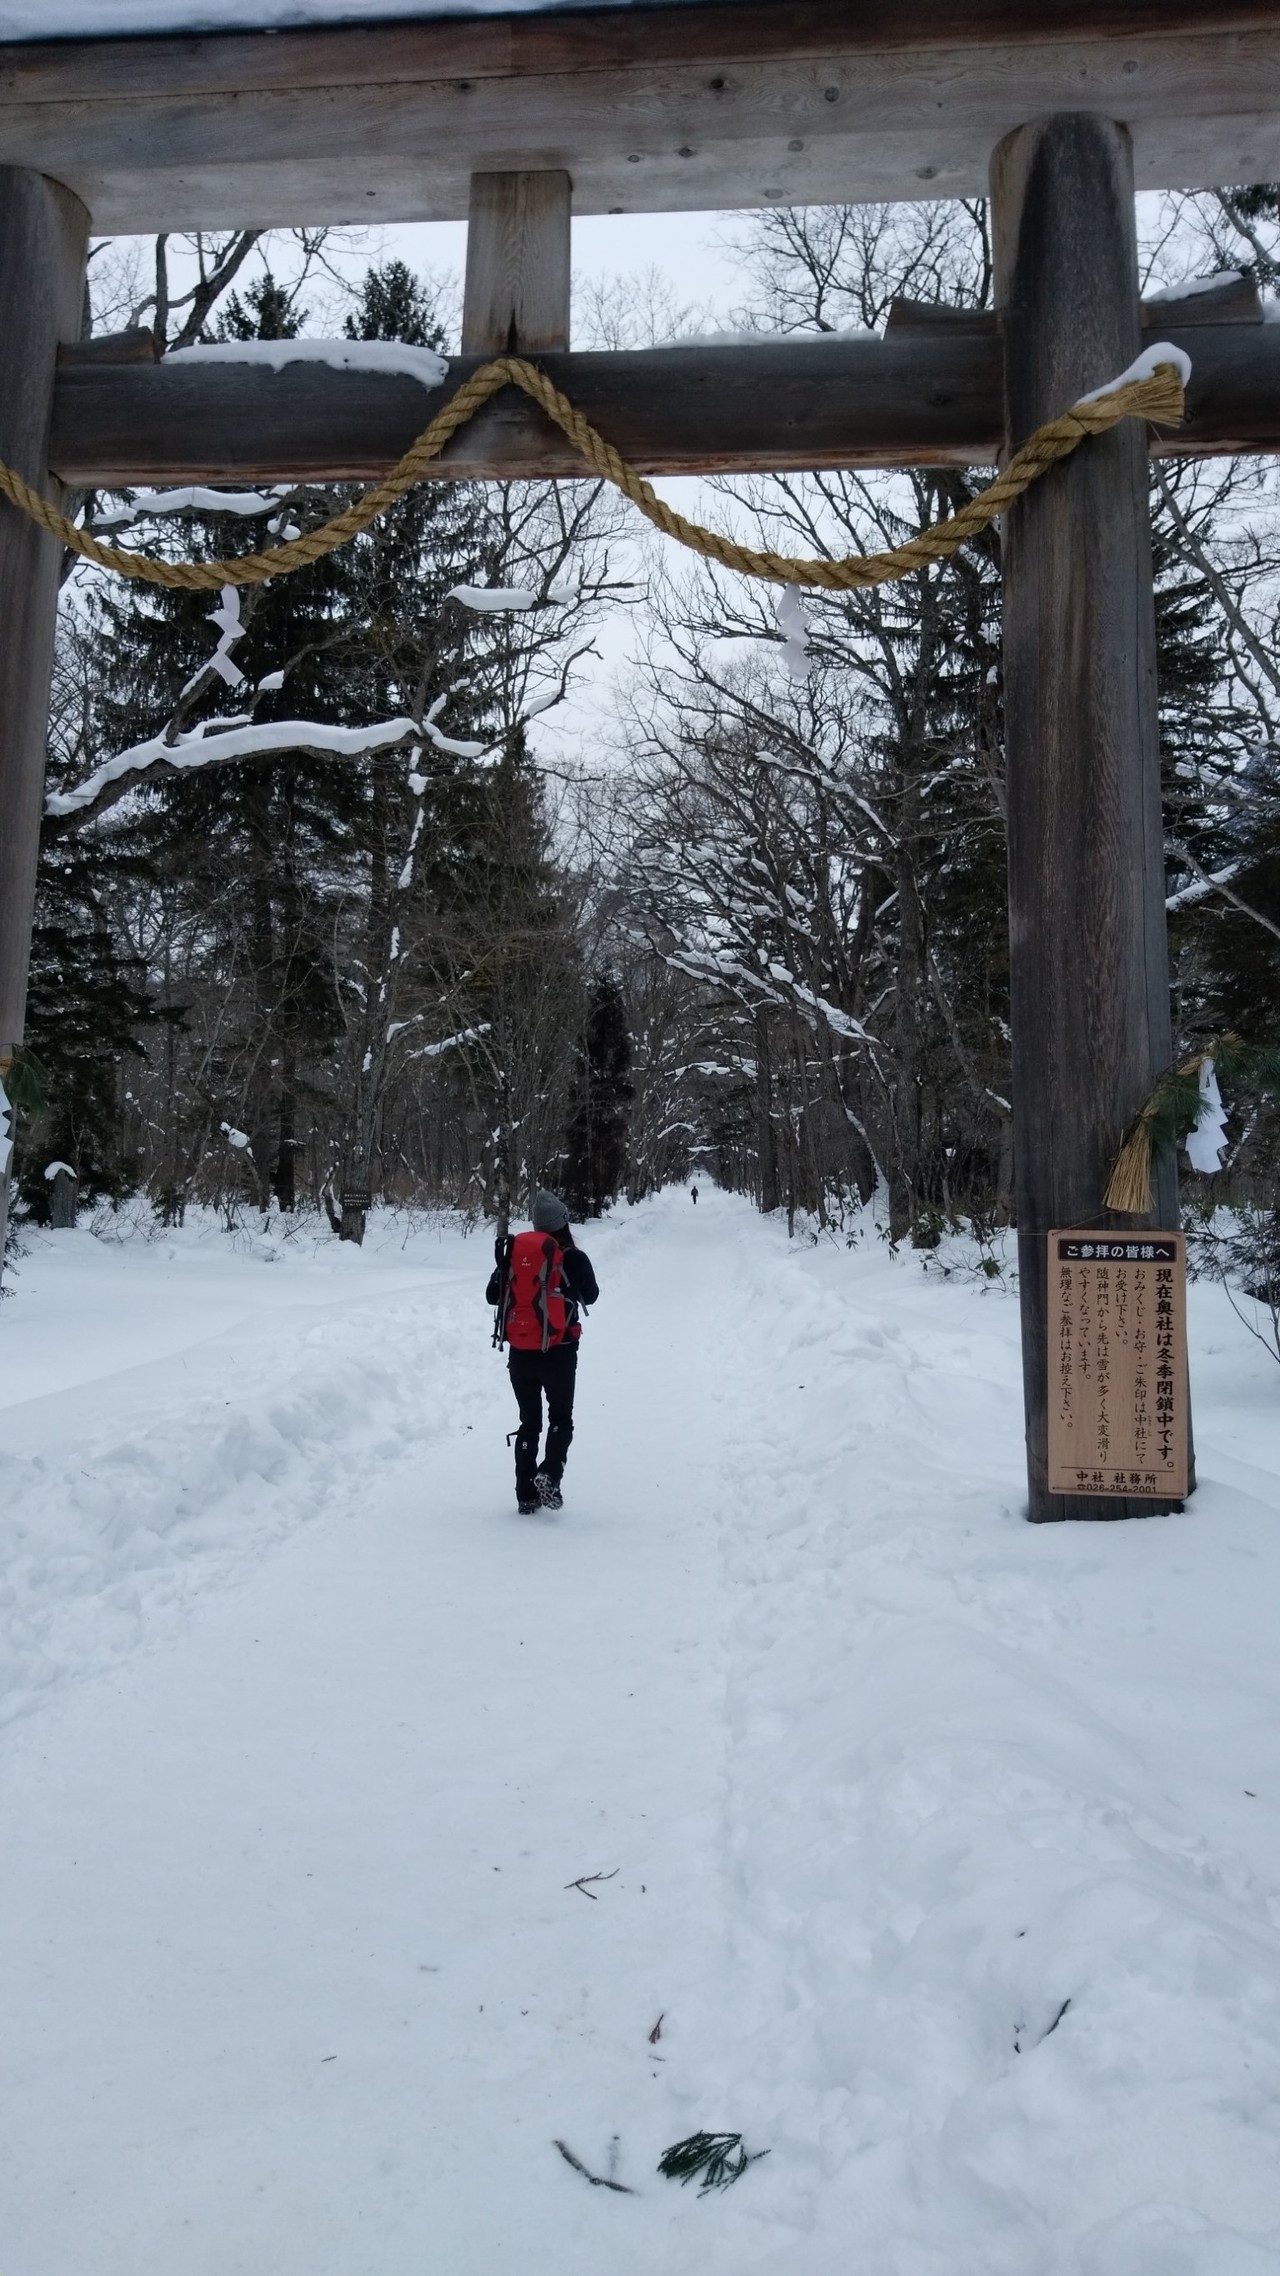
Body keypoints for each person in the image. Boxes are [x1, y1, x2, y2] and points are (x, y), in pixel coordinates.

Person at [487, 1190, 599, 1515]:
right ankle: (550, 1473)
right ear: (563, 1223)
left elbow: (492, 1295)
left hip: (520, 1353)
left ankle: (525, 1494)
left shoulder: (515, 1256)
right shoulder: (573, 1257)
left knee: (529, 1423)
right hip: (560, 1352)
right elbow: (590, 1296)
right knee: (560, 1419)